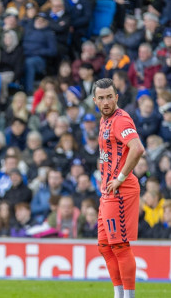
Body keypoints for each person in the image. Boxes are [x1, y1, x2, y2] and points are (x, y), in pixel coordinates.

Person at [92, 78, 146, 298]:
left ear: (116, 97)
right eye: (101, 98)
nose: (106, 102)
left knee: (120, 246)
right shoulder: (105, 121)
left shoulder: (120, 120)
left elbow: (137, 148)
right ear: (95, 100)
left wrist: (120, 177)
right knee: (104, 246)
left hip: (120, 191)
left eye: (109, 97)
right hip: (107, 191)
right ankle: (119, 294)